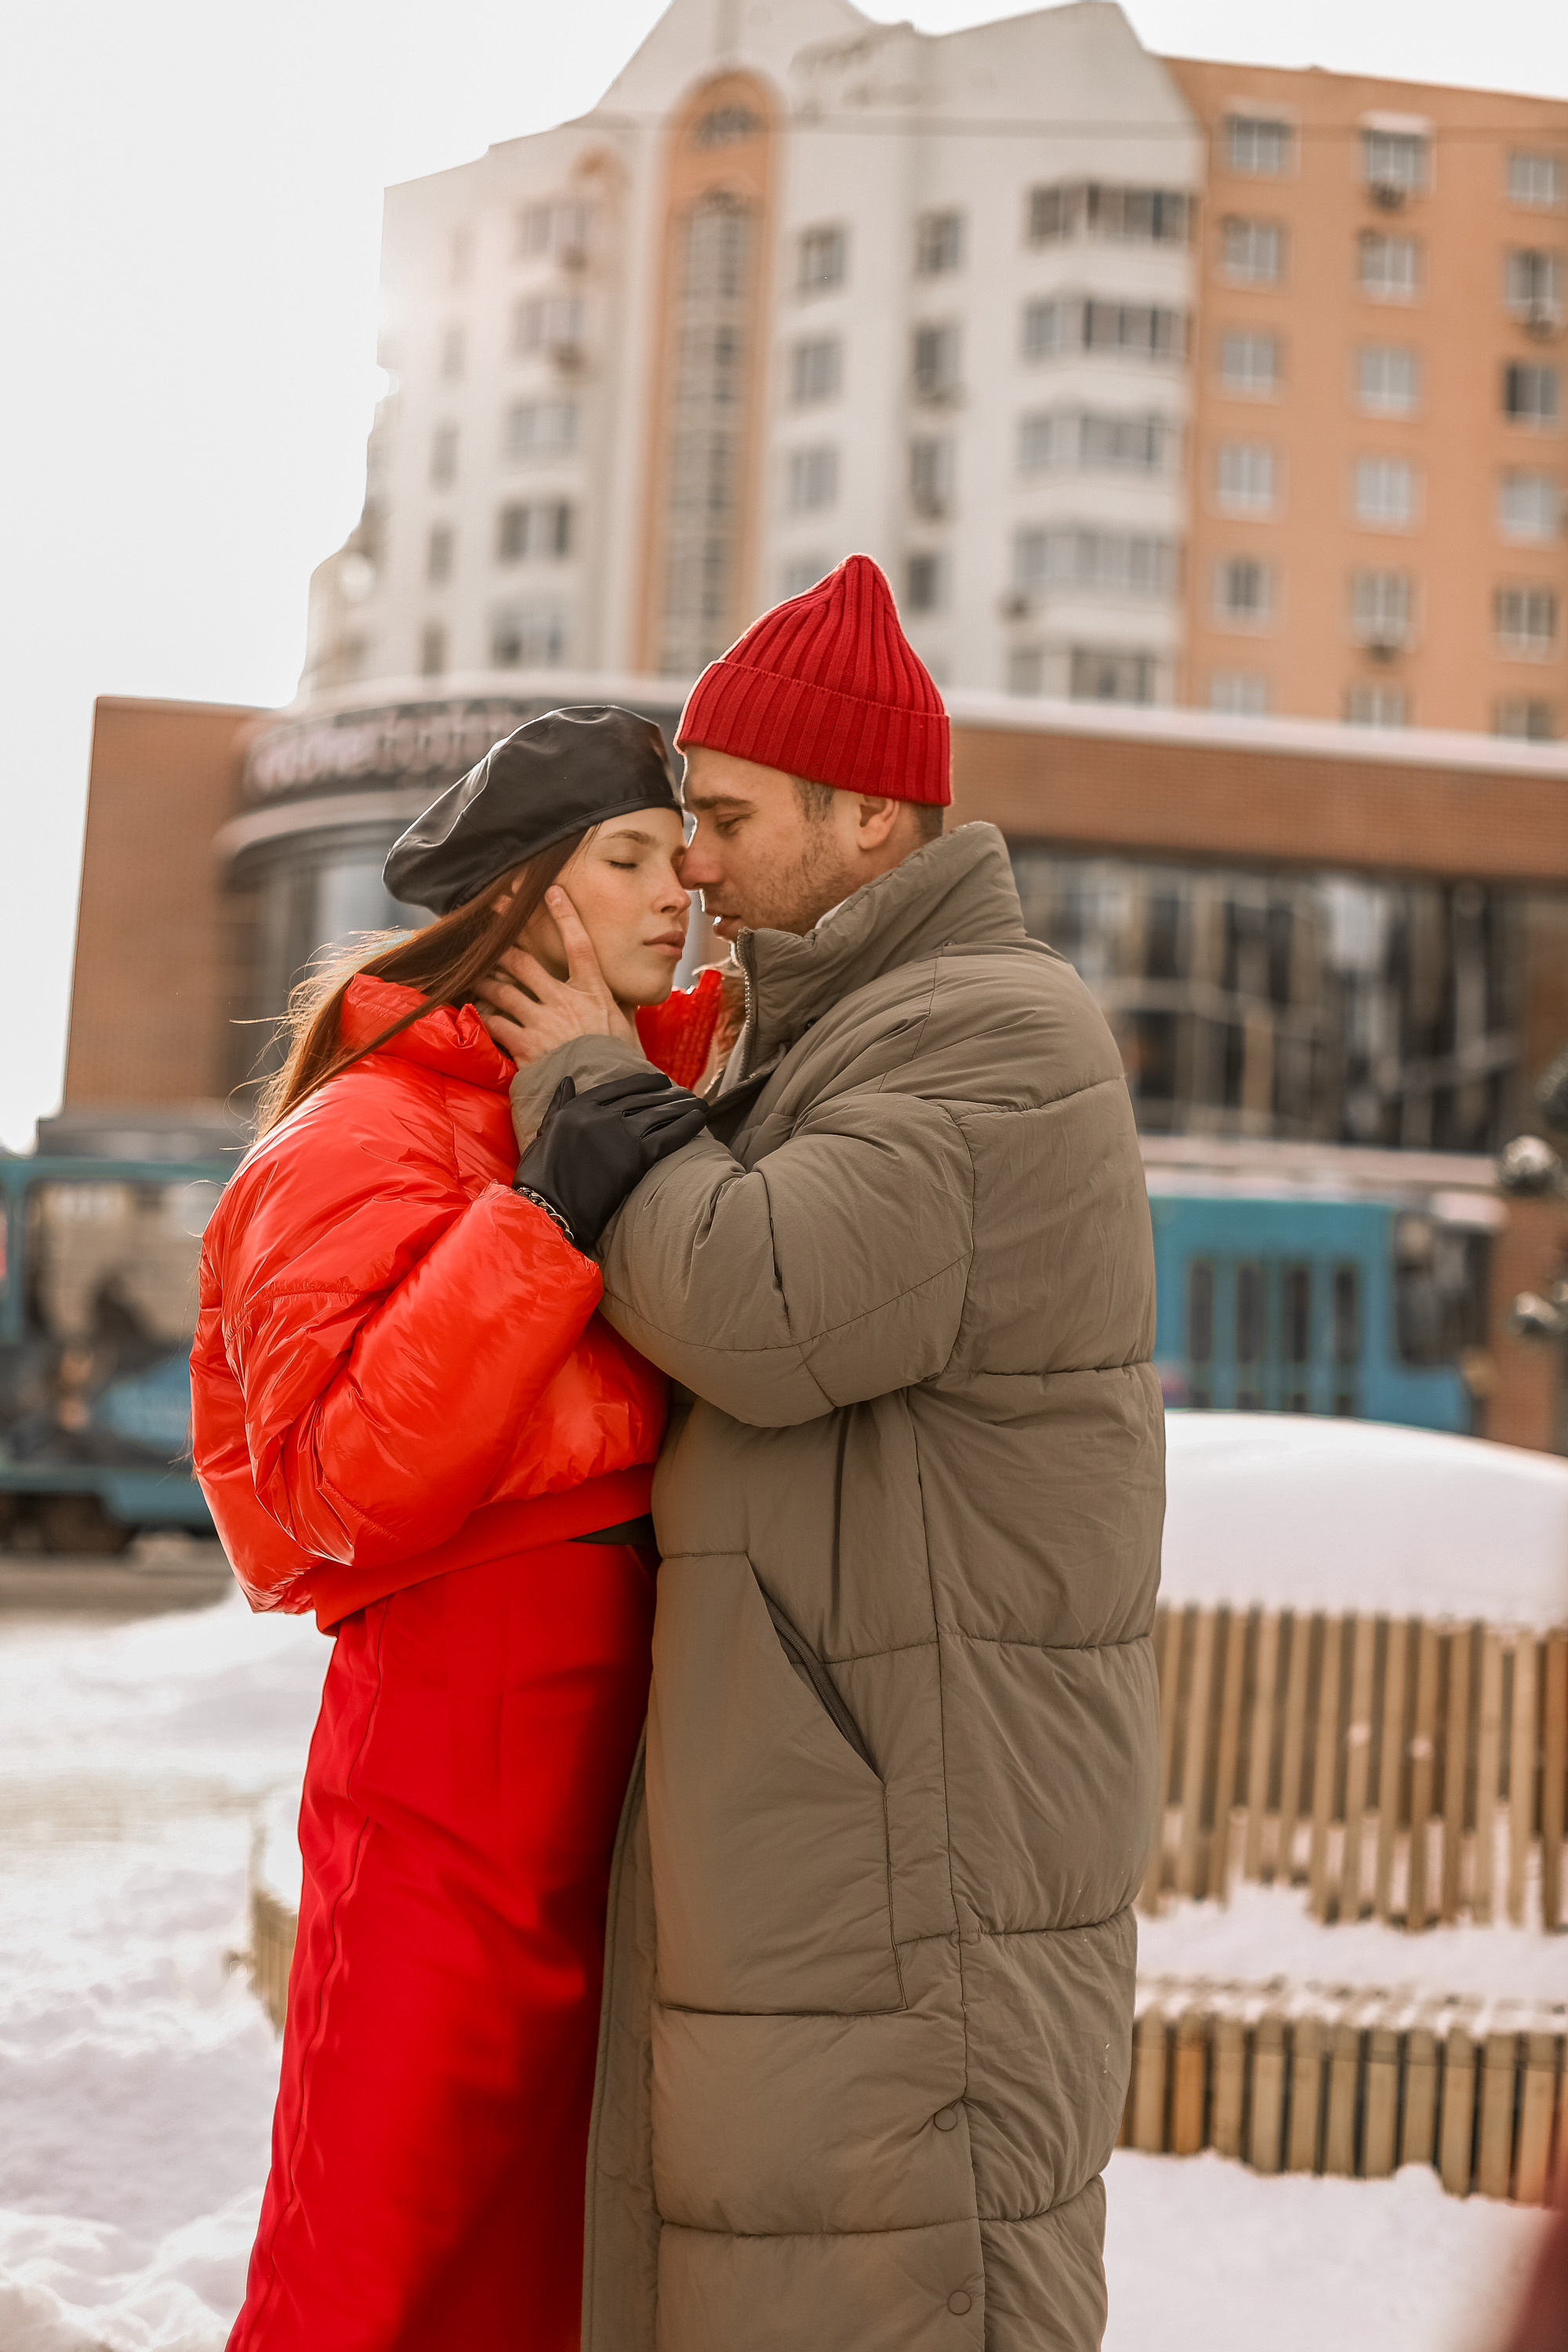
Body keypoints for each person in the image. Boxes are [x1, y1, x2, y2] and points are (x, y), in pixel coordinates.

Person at [480, 557, 1166, 2352]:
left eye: (721, 817)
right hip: (840, 1822)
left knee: (903, 2289)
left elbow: (768, 1308)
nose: (688, 860)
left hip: (909, 1843)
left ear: (869, 818)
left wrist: (587, 1086)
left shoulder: (991, 1034)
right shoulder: (843, 1029)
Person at [189, 706, 720, 2352]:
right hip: (452, 1746)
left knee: (541, 2256)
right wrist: (546, 1215)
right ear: (516, 896)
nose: (677, 890)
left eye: (677, 857)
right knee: (385, 2237)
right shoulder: (353, 1136)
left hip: (613, 1742)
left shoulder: (623, 1100)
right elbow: (348, 1479)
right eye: (624, 859)